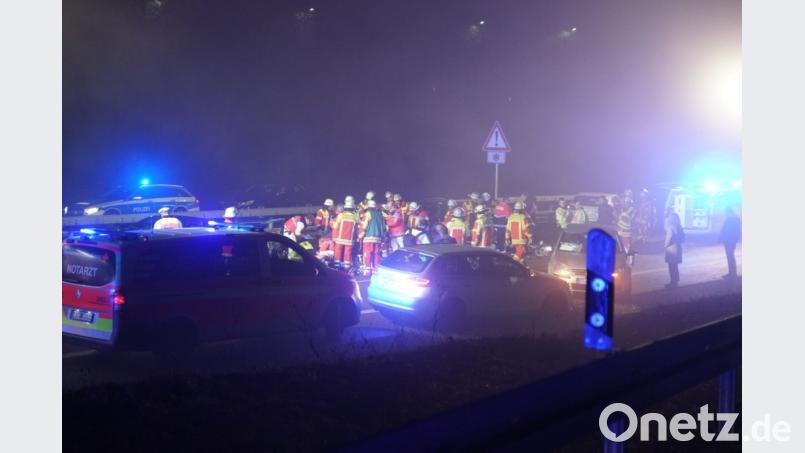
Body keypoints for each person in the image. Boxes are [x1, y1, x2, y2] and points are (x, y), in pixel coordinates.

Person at [358, 199, 386, 275]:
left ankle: (367, 271)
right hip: (378, 238)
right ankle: (376, 270)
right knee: (376, 254)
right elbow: (384, 227)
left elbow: (364, 226)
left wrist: (360, 236)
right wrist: (383, 238)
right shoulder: (379, 214)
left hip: (368, 238)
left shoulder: (367, 214)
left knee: (367, 253)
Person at [332, 196, 359, 269]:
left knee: (338, 252)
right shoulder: (355, 217)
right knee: (347, 253)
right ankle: (346, 268)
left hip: (340, 238)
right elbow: (357, 227)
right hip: (350, 239)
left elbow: (335, 226)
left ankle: (336, 267)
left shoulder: (341, 215)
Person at [664, 208, 684, 288]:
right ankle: (675, 281)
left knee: (672, 266)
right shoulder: (679, 227)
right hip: (677, 247)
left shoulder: (671, 227)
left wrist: (665, 246)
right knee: (674, 266)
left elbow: (668, 238)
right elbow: (682, 238)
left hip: (671, 248)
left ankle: (673, 282)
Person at [719, 207, 741, 279]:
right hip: (731, 241)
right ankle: (732, 273)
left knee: (730, 257)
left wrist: (721, 239)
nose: (725, 214)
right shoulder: (736, 219)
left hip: (729, 241)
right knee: (730, 257)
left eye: (725, 213)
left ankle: (732, 274)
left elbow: (725, 230)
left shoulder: (730, 219)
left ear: (728, 212)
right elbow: (737, 231)